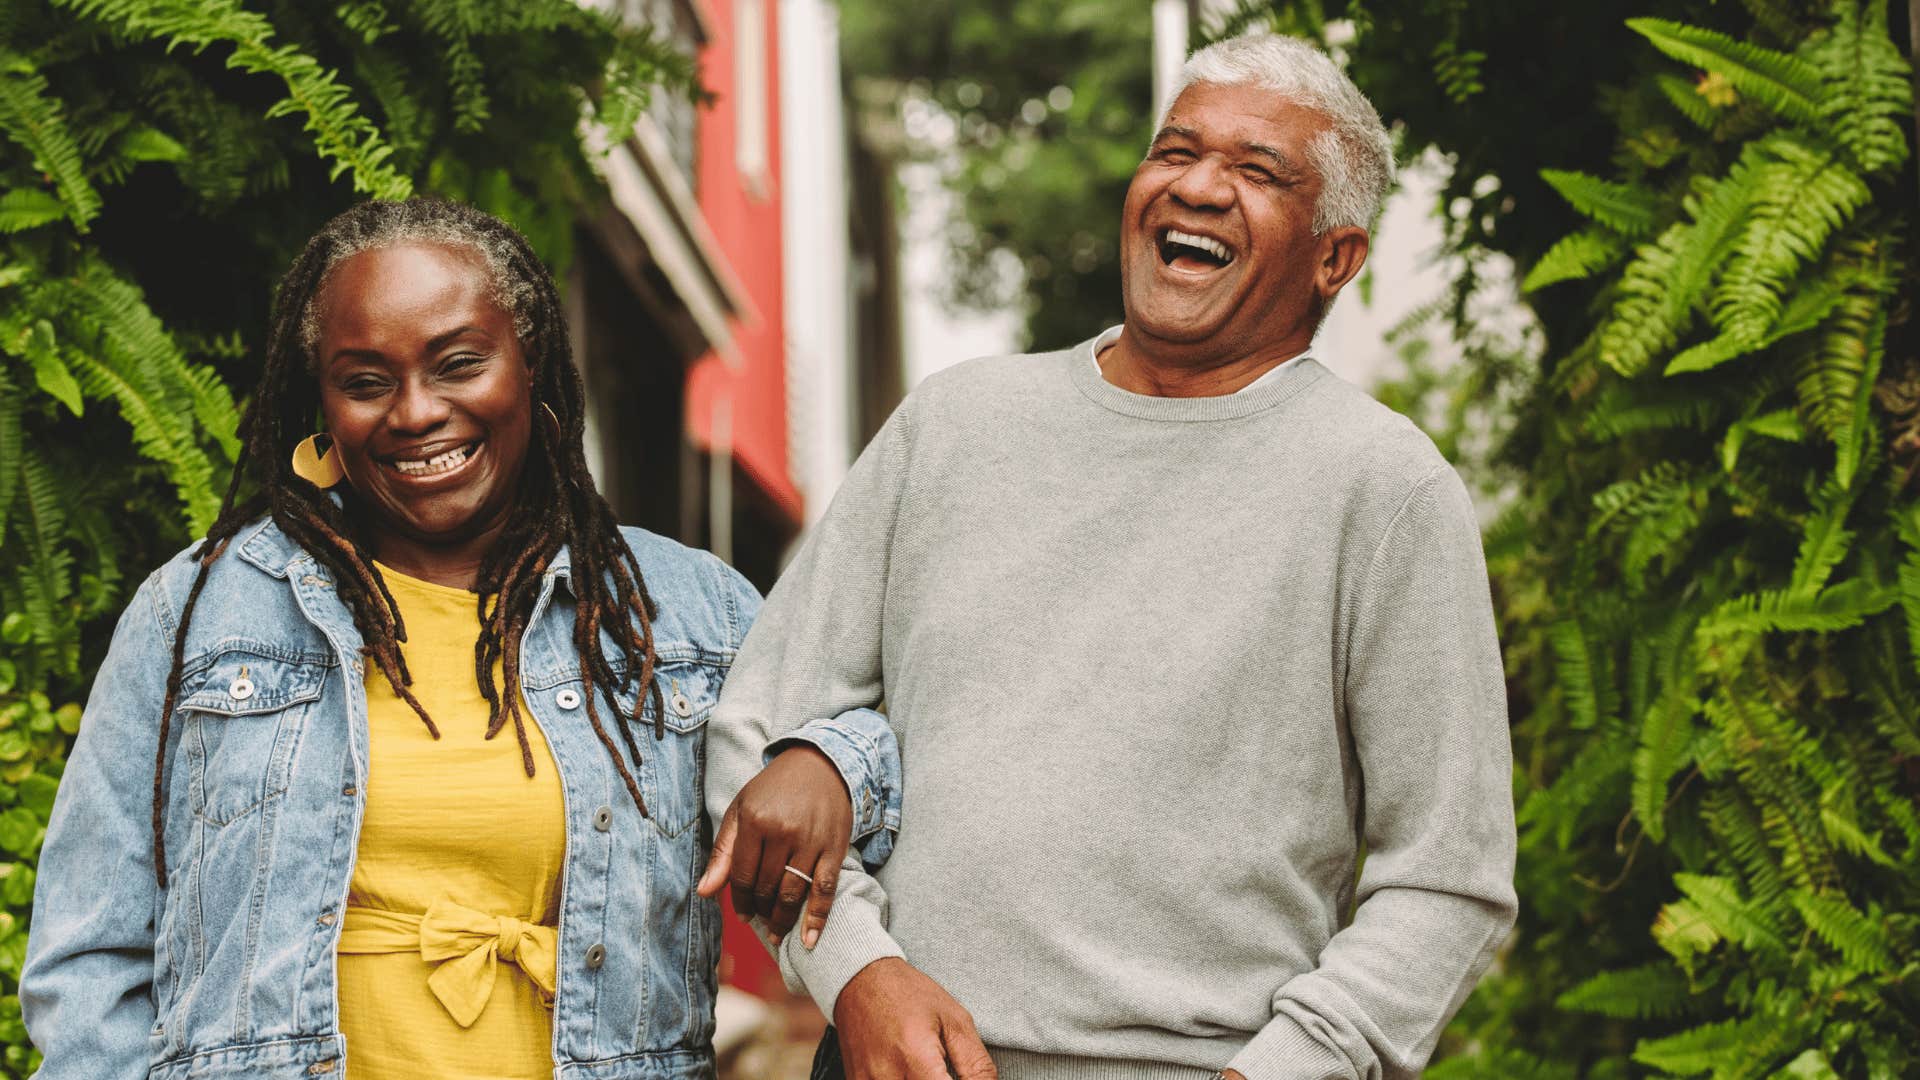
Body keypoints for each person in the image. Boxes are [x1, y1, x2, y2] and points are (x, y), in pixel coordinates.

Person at [705, 33, 1518, 1080]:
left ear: (1335, 257)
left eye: (1258, 171)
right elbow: (756, 726)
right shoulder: (952, 427)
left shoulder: (1386, 492)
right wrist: (857, 973)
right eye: (1176, 150)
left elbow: (1448, 879)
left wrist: (1284, 1071)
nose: (1200, 186)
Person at [21, 198, 898, 1080]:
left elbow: (884, 745)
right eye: (366, 381)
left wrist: (824, 759)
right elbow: (89, 954)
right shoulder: (203, 611)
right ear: (319, 404)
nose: (415, 413)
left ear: (533, 369)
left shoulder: (680, 611)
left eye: (459, 365)